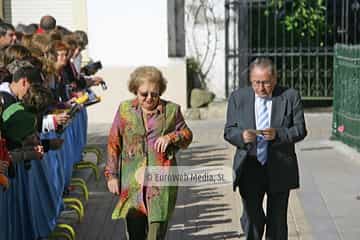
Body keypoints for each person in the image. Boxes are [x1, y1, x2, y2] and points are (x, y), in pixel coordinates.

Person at [105, 66, 193, 240]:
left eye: (155, 93)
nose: (149, 98)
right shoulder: (125, 110)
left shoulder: (171, 110)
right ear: (135, 91)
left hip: (160, 183)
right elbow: (114, 142)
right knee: (135, 234)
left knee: (155, 234)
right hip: (132, 184)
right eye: (144, 94)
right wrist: (112, 176)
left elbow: (187, 135)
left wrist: (171, 137)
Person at [224, 57, 307, 240]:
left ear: (275, 79)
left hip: (279, 167)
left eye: (266, 83)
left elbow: (300, 130)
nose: (261, 88)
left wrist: (279, 134)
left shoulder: (290, 96)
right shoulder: (239, 98)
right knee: (252, 219)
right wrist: (241, 136)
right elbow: (229, 131)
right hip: (250, 166)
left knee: (277, 222)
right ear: (250, 80)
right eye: (256, 83)